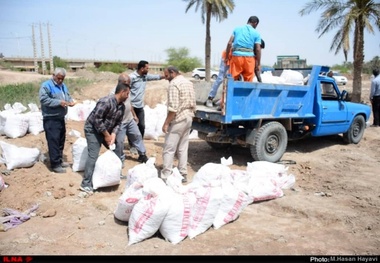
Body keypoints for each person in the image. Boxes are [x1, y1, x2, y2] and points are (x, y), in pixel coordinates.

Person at [80, 81, 130, 194]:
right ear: (122, 92)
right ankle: (86, 183)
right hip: (93, 129)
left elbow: (118, 123)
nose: (128, 97)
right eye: (127, 94)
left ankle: (116, 173)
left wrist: (113, 135)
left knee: (117, 149)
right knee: (93, 154)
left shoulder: (121, 107)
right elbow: (97, 120)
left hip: (106, 131)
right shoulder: (106, 101)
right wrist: (107, 135)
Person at [161, 66, 196, 183]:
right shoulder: (188, 82)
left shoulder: (174, 84)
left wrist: (166, 123)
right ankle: (183, 173)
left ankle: (166, 175)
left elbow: (173, 108)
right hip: (189, 117)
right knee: (183, 148)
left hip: (178, 119)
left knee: (169, 148)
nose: (166, 79)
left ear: (172, 73)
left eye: (166, 76)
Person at [39, 67, 76, 173]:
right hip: (51, 118)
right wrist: (59, 102)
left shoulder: (63, 86)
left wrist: (70, 101)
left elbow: (67, 96)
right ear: (53, 76)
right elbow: (44, 99)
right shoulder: (46, 86)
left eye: (62, 79)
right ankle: (55, 164)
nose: (60, 81)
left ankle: (59, 160)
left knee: (60, 140)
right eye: (58, 78)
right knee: (53, 141)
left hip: (60, 117)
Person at [113, 73, 148, 168]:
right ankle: (119, 159)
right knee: (119, 142)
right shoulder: (114, 93)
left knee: (137, 136)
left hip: (129, 119)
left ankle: (142, 155)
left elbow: (129, 103)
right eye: (127, 83)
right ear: (121, 82)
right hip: (120, 123)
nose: (129, 84)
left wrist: (134, 115)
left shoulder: (127, 91)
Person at [129, 60, 165, 139]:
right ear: (142, 69)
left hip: (140, 106)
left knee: (141, 125)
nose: (148, 70)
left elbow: (156, 77)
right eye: (147, 68)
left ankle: (139, 143)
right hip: (131, 106)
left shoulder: (145, 76)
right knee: (132, 127)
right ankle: (132, 145)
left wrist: (166, 76)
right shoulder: (132, 77)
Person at [225, 15, 262, 82]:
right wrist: (258, 64)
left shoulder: (237, 29)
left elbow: (229, 43)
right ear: (255, 23)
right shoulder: (256, 33)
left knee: (232, 80)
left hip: (237, 57)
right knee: (248, 81)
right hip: (249, 59)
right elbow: (258, 49)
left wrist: (227, 57)